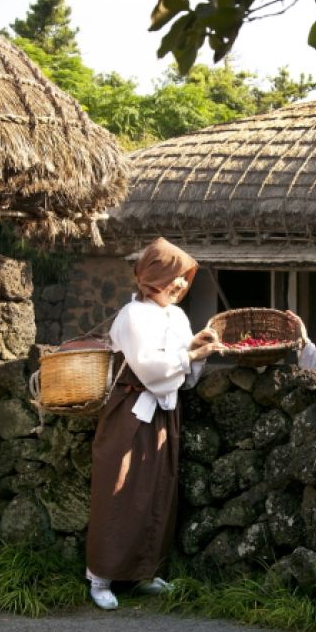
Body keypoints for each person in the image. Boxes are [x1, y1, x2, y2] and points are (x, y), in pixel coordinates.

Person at [85, 237, 225, 610]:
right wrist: (190, 353)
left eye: (185, 279)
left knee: (155, 490)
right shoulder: (132, 315)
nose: (180, 286)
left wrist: (197, 352)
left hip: (164, 410)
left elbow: (184, 374)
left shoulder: (177, 316)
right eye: (174, 277)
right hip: (130, 411)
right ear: (154, 276)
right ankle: (101, 576)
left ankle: (143, 572)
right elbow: (148, 368)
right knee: (118, 489)